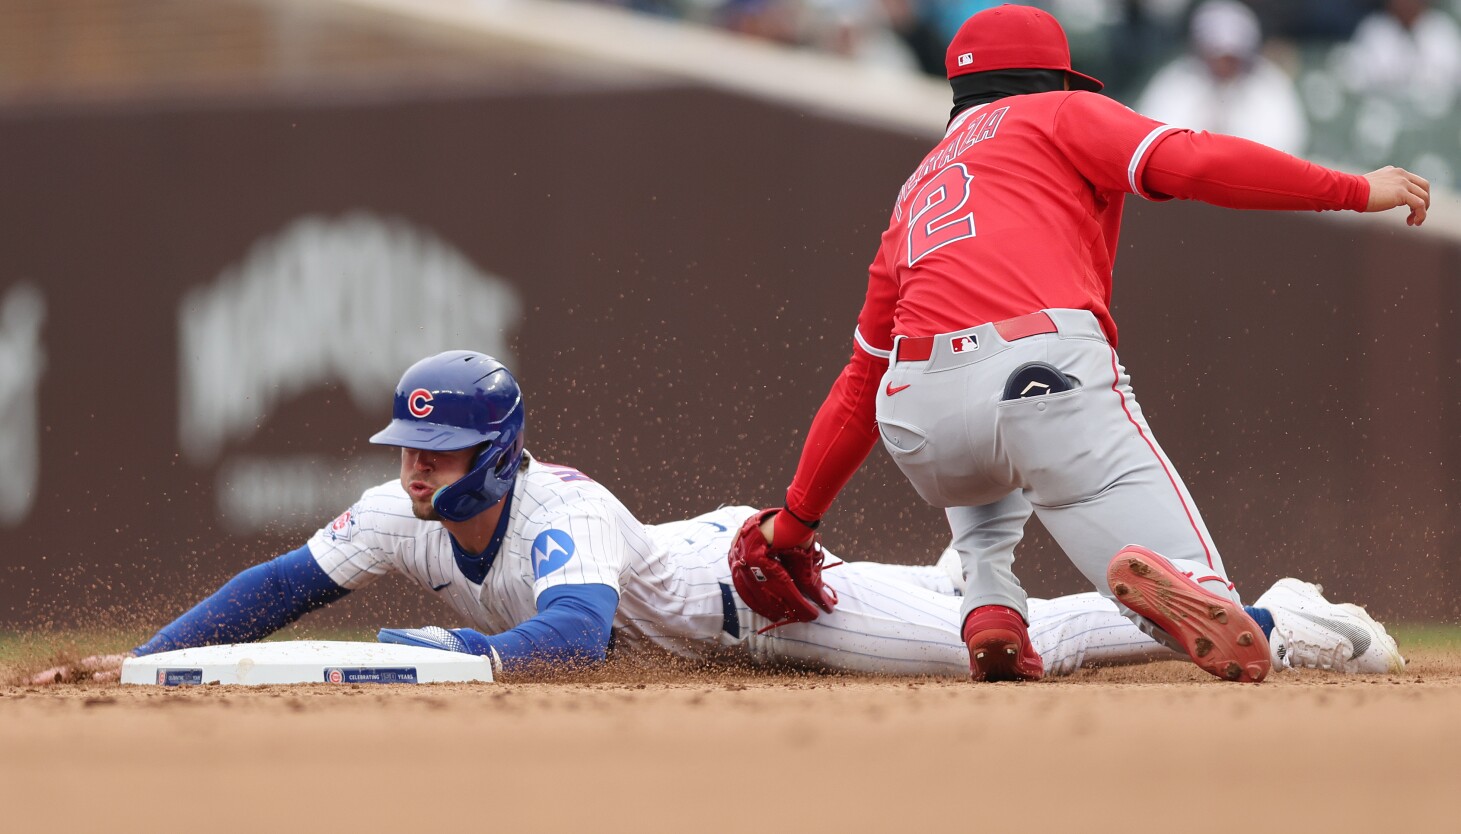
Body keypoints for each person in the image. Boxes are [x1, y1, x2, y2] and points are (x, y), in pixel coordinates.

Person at [736, 4, 1429, 685]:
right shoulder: (1057, 112)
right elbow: (1192, 160)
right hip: (1039, 373)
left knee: (988, 442)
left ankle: (990, 605)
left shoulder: (916, 188)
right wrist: (1352, 188)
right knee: (1201, 593)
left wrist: (794, 524)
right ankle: (1192, 588)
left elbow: (861, 383)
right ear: (1053, 77)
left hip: (918, 417)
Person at [31, 350, 1403, 685]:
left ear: (495, 452)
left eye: (437, 450)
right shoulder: (399, 512)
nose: (411, 470)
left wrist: (430, 657)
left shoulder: (558, 509)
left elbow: (568, 636)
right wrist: (157, 664)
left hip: (757, 607)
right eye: (406, 447)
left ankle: (1289, 615)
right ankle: (946, 569)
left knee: (1020, 649)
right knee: (982, 621)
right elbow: (277, 588)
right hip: (705, 583)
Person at [1136, 0, 1309, 156]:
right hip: (1184, 183)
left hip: (1250, 182)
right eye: (1215, 54)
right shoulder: (1176, 80)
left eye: (1231, 57)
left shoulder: (1268, 83)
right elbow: (1155, 140)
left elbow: (1287, 144)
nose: (1223, 64)